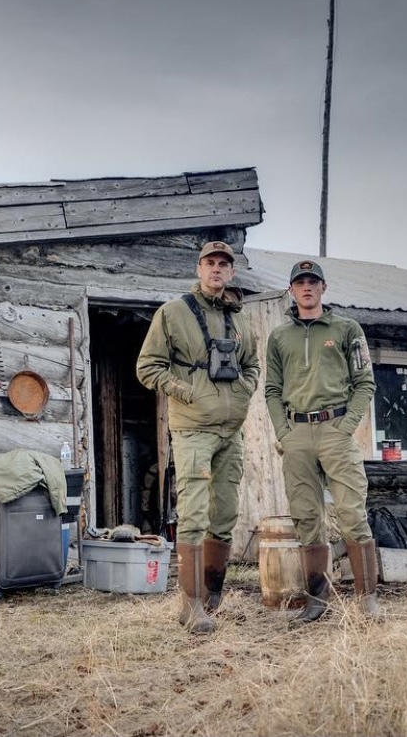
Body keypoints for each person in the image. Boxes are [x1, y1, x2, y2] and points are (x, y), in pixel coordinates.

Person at [136, 240, 260, 634]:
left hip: (231, 431)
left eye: (224, 264)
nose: (217, 270)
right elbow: (147, 367)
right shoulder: (172, 314)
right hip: (192, 429)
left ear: (231, 272)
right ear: (198, 268)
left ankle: (212, 597)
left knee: (224, 515)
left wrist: (244, 388)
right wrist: (185, 389)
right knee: (193, 515)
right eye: (210, 263)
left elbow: (252, 364)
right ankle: (188, 605)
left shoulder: (240, 319)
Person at [264, 259, 383, 625]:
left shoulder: (347, 329)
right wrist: (284, 431)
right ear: (292, 290)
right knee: (305, 516)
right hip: (296, 433)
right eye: (300, 282)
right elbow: (271, 389)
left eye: (313, 282)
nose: (306, 288)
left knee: (351, 512)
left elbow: (365, 382)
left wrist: (347, 426)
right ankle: (317, 599)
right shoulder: (279, 337)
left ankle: (367, 599)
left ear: (323, 288)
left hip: (335, 429)